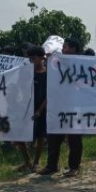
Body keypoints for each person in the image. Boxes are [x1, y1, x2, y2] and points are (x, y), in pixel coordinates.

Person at [38, 38, 84, 177]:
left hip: (74, 105)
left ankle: (74, 167)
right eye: (63, 47)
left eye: (66, 47)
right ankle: (52, 166)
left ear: (74, 49)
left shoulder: (81, 63)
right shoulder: (58, 62)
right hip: (58, 105)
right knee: (53, 135)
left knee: (74, 138)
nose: (63, 49)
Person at [15, 46, 49, 172]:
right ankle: (27, 162)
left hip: (41, 109)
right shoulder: (26, 73)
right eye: (29, 59)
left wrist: (39, 111)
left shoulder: (48, 74)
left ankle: (36, 163)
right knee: (18, 135)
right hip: (26, 108)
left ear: (42, 58)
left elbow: (48, 95)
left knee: (40, 136)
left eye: (33, 58)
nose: (31, 61)